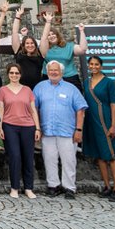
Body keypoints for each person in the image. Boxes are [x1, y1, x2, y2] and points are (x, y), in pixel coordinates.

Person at [34, 60, 87, 199]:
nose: (53, 72)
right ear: (47, 72)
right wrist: (37, 128)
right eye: (50, 70)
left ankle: (69, 187)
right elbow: (34, 108)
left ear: (61, 72)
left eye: (56, 70)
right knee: (49, 159)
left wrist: (79, 130)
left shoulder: (71, 88)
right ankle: (53, 185)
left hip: (67, 132)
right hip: (47, 131)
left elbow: (80, 110)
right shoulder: (40, 87)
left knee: (68, 160)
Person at [83, 55, 115, 202]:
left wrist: (113, 125)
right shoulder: (86, 82)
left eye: (96, 64)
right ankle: (106, 187)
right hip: (92, 122)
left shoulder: (109, 82)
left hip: (106, 121)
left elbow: (113, 104)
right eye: (91, 64)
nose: (94, 67)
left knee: (112, 155)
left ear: (101, 66)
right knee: (100, 156)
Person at [0, 62, 40, 199]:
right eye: (11, 73)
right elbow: (1, 109)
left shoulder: (27, 90)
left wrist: (37, 128)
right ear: (8, 74)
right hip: (10, 126)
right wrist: (0, 126)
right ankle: (14, 187)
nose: (14, 75)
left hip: (28, 126)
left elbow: (33, 110)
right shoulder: (3, 90)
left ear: (20, 75)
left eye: (16, 73)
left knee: (28, 156)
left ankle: (28, 188)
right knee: (14, 156)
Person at [39, 15, 88, 91]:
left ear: (57, 35)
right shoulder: (45, 49)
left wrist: (82, 31)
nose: (51, 36)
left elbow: (83, 49)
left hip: (69, 78)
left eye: (53, 34)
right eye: (49, 35)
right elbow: (43, 38)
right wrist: (48, 22)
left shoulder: (68, 46)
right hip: (50, 78)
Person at [11, 8, 44, 89]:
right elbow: (14, 33)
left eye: (32, 43)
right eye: (27, 43)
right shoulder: (19, 52)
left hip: (37, 87)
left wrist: (48, 22)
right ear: (23, 45)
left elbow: (45, 38)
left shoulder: (40, 54)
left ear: (35, 45)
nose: (30, 45)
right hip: (21, 87)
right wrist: (18, 16)